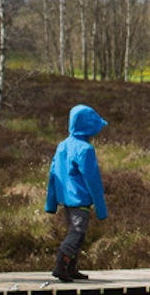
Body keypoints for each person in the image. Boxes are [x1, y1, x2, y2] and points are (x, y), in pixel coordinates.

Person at [45, 104, 110, 282]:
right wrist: (101, 208)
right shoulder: (85, 149)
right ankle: (60, 266)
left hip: (65, 199)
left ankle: (71, 268)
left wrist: (51, 202)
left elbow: (53, 174)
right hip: (80, 199)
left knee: (75, 232)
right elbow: (92, 180)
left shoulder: (62, 145)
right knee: (77, 233)